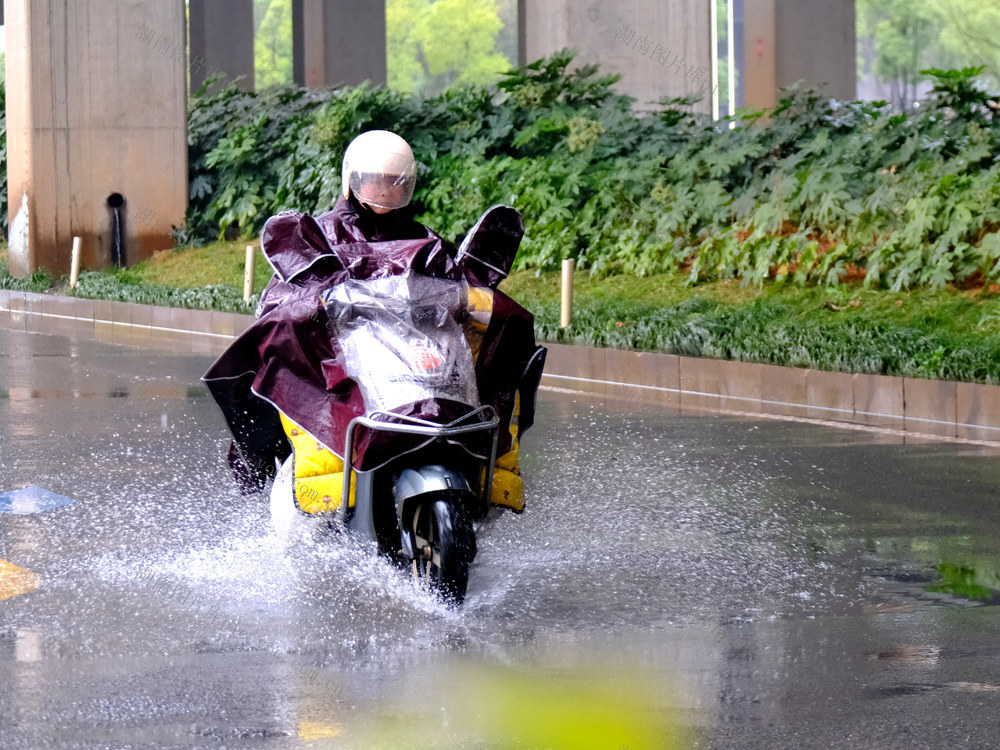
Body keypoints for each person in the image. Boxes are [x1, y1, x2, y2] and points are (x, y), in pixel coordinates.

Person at [206, 130, 544, 512]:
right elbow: (278, 303)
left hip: (415, 369)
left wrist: (473, 302)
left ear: (408, 185)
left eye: (394, 182)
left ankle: (480, 477)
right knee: (271, 380)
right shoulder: (322, 236)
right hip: (348, 370)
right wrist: (312, 303)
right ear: (352, 181)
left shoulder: (426, 241)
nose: (384, 190)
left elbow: (455, 289)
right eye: (374, 180)